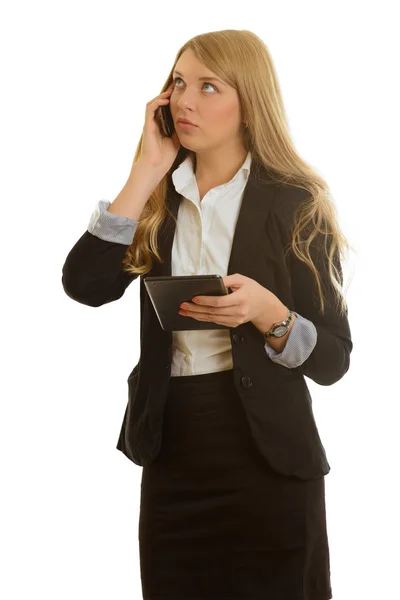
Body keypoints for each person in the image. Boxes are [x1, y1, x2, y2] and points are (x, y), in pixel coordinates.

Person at [62, 29, 353, 600]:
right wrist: (146, 170)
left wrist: (271, 315)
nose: (184, 100)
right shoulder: (157, 197)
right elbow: (85, 285)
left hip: (268, 456)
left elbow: (333, 360)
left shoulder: (296, 202)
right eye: (178, 82)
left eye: (208, 86)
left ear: (249, 104)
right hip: (174, 448)